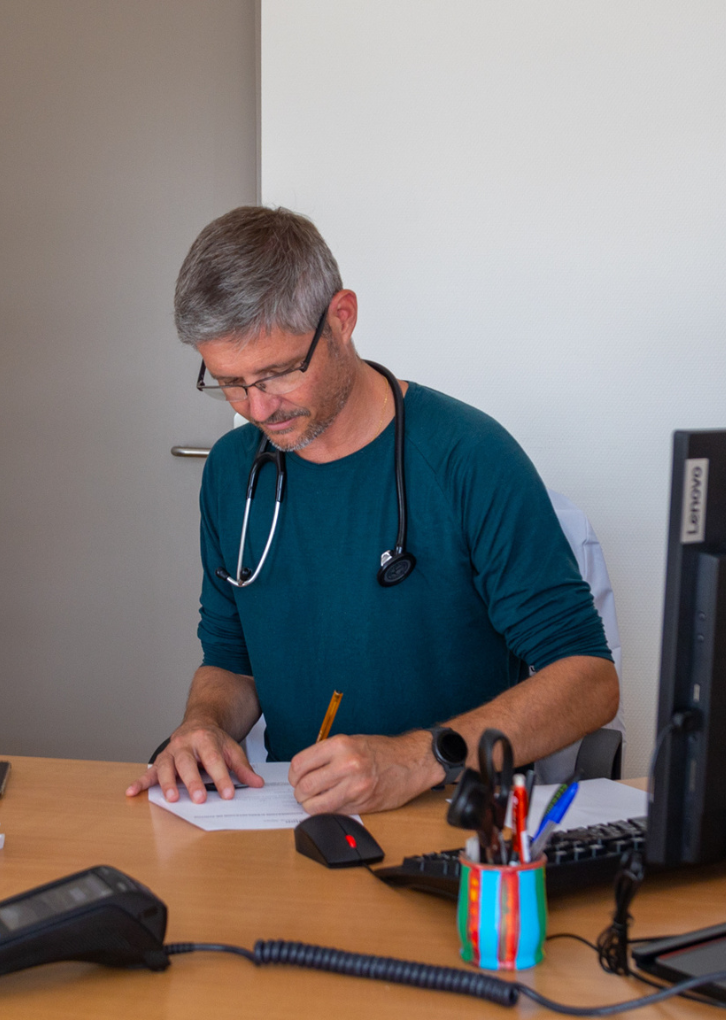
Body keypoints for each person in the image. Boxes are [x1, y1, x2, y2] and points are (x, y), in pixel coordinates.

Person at [125, 206, 618, 815]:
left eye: (278, 373)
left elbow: (589, 679)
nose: (256, 408)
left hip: (451, 816)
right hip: (293, 815)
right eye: (230, 381)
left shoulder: (468, 456)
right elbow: (231, 661)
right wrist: (204, 724)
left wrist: (417, 758)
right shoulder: (233, 471)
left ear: (341, 318)